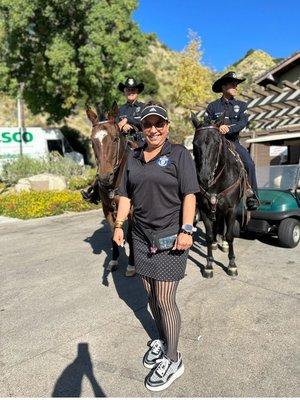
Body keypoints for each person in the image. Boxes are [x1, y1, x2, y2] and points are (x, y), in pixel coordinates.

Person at [113, 102, 199, 392]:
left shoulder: (178, 154)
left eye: (158, 124)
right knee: (150, 295)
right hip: (140, 236)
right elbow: (125, 195)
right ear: (142, 128)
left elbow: (189, 194)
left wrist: (187, 229)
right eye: (147, 125)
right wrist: (118, 225)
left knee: (164, 299)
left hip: (171, 237)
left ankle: (174, 359)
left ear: (167, 126)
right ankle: (163, 340)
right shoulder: (134, 158)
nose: (153, 129)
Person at [81, 77, 145, 203]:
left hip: (141, 142)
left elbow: (145, 122)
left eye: (133, 89)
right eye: (128, 90)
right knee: (107, 159)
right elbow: (112, 127)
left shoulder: (144, 108)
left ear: (137, 91)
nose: (130, 92)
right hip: (123, 143)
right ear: (124, 92)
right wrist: (119, 126)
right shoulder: (119, 110)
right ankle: (96, 189)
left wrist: (129, 122)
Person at [205, 71, 260, 210]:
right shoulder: (212, 106)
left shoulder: (242, 105)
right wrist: (218, 127)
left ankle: (252, 197)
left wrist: (229, 128)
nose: (236, 86)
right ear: (224, 87)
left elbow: (243, 123)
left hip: (233, 143)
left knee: (249, 164)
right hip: (216, 143)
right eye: (233, 84)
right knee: (200, 162)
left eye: (237, 84)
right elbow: (207, 124)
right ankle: (195, 194)